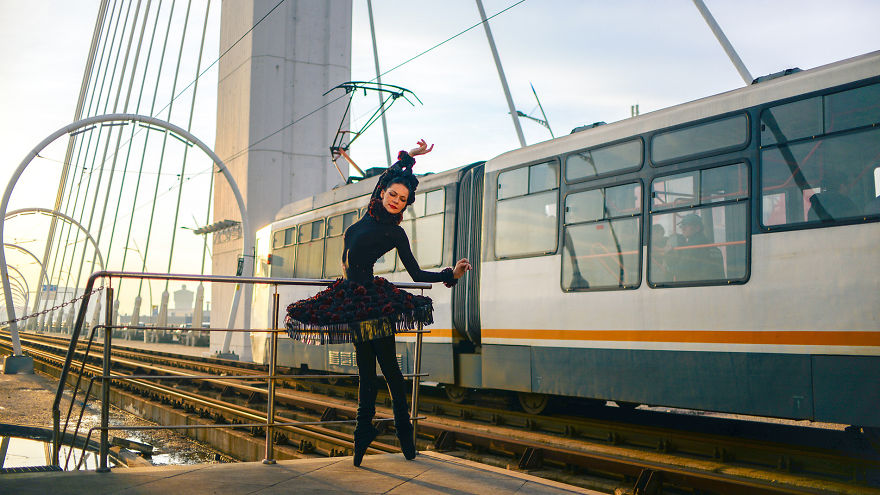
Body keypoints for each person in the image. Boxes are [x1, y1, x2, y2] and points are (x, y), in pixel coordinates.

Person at [284, 139, 471, 467]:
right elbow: (390, 174)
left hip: (372, 305)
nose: (397, 201)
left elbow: (415, 273)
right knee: (368, 377)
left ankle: (402, 436)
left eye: (403, 199)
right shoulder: (371, 208)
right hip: (353, 300)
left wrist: (450, 273)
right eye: (393, 195)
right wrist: (410, 158)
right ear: (382, 194)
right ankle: (365, 436)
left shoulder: (394, 234)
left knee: (392, 375)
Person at [669, 214, 724, 282]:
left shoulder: (692, 247)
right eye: (682, 226)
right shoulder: (714, 248)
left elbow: (679, 271)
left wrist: (668, 256)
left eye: (686, 226)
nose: (683, 229)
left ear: (697, 228)